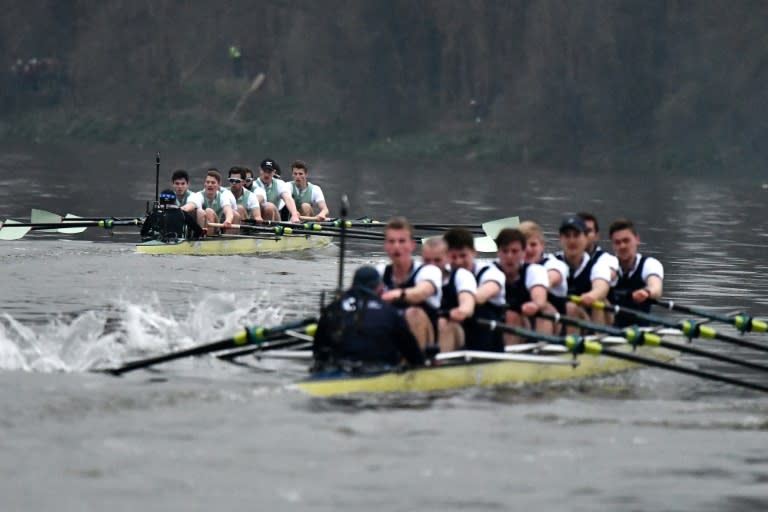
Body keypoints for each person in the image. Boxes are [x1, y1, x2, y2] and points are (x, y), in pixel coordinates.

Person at [311, 265, 425, 373]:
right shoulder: (389, 311)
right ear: (379, 287)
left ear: (353, 284)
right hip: (376, 371)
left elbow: (317, 350)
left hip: (333, 370)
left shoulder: (332, 308)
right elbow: (413, 354)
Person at [377, 217, 443, 349]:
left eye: (402, 241)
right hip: (390, 337)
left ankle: (415, 365)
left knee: (414, 313)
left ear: (412, 245)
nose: (396, 246)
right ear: (386, 246)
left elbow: (421, 292)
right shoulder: (379, 272)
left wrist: (394, 295)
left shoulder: (429, 270)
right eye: (391, 241)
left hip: (427, 343)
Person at [443, 228, 506, 352]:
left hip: (488, 342)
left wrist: (464, 303)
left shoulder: (491, 273)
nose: (459, 261)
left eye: (463, 255)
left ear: (474, 252)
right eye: (453, 257)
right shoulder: (441, 274)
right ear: (445, 255)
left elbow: (482, 295)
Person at [494, 228, 555, 342]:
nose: (509, 256)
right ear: (498, 252)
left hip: (530, 324)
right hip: (502, 325)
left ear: (523, 253)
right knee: (510, 316)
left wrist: (536, 305)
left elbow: (540, 297)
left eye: (514, 251)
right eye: (505, 251)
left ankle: (543, 351)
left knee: (546, 309)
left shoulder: (535, 270)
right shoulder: (491, 271)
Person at [555, 216, 614, 327]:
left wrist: (592, 296)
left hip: (590, 321)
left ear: (586, 238)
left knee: (600, 300)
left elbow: (601, 287)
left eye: (576, 235)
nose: (571, 241)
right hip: (560, 321)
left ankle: (598, 337)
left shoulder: (598, 266)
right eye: (567, 236)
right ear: (560, 239)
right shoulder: (552, 262)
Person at [421, 237, 476, 352]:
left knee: (443, 323)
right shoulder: (416, 274)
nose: (432, 266)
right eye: (427, 260)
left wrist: (463, 310)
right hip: (424, 329)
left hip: (455, 330)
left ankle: (441, 364)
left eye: (437, 260)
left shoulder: (462, 275)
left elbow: (467, 303)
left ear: (447, 258)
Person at [609, 219, 664, 327]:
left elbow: (656, 287)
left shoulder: (650, 264)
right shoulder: (607, 265)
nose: (622, 246)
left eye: (626, 241)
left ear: (637, 240)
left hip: (640, 333)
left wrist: (647, 292)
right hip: (609, 332)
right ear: (613, 245)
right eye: (617, 242)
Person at [518, 220, 569, 315]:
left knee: (544, 308)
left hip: (556, 321)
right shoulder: (513, 267)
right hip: (525, 318)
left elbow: (549, 279)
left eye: (533, 244)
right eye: (523, 245)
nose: (528, 249)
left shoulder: (555, 264)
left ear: (542, 245)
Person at [181, 168, 238, 233]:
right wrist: (179, 210)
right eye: (207, 182)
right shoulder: (198, 196)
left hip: (221, 226)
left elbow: (228, 210)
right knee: (206, 211)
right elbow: (190, 205)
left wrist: (228, 220)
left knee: (235, 214)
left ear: (219, 185)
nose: (210, 185)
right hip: (203, 226)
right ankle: (206, 237)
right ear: (204, 184)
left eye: (213, 183)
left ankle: (228, 240)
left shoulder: (224, 196)